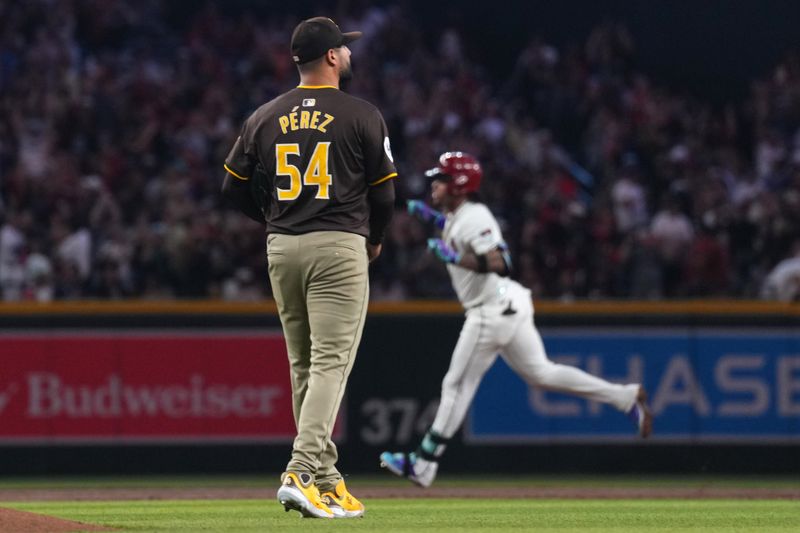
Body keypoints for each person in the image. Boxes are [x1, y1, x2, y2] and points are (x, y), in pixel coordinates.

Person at [379, 152, 652, 488]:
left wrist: (455, 258)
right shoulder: (458, 216)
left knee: (456, 385)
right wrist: (423, 214)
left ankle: (424, 461)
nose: (435, 183)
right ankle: (623, 397)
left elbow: (501, 260)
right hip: (508, 304)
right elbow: (457, 229)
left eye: (443, 178)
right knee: (541, 373)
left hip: (490, 310)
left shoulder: (474, 215)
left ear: (461, 185)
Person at [222, 17, 397, 518]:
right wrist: (377, 239)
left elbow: (232, 188)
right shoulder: (362, 114)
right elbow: (384, 195)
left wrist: (274, 217)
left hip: (283, 246)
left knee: (305, 366)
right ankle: (300, 470)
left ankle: (326, 477)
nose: (348, 53)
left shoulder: (265, 114)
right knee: (329, 364)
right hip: (338, 245)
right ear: (331, 58)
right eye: (343, 47)